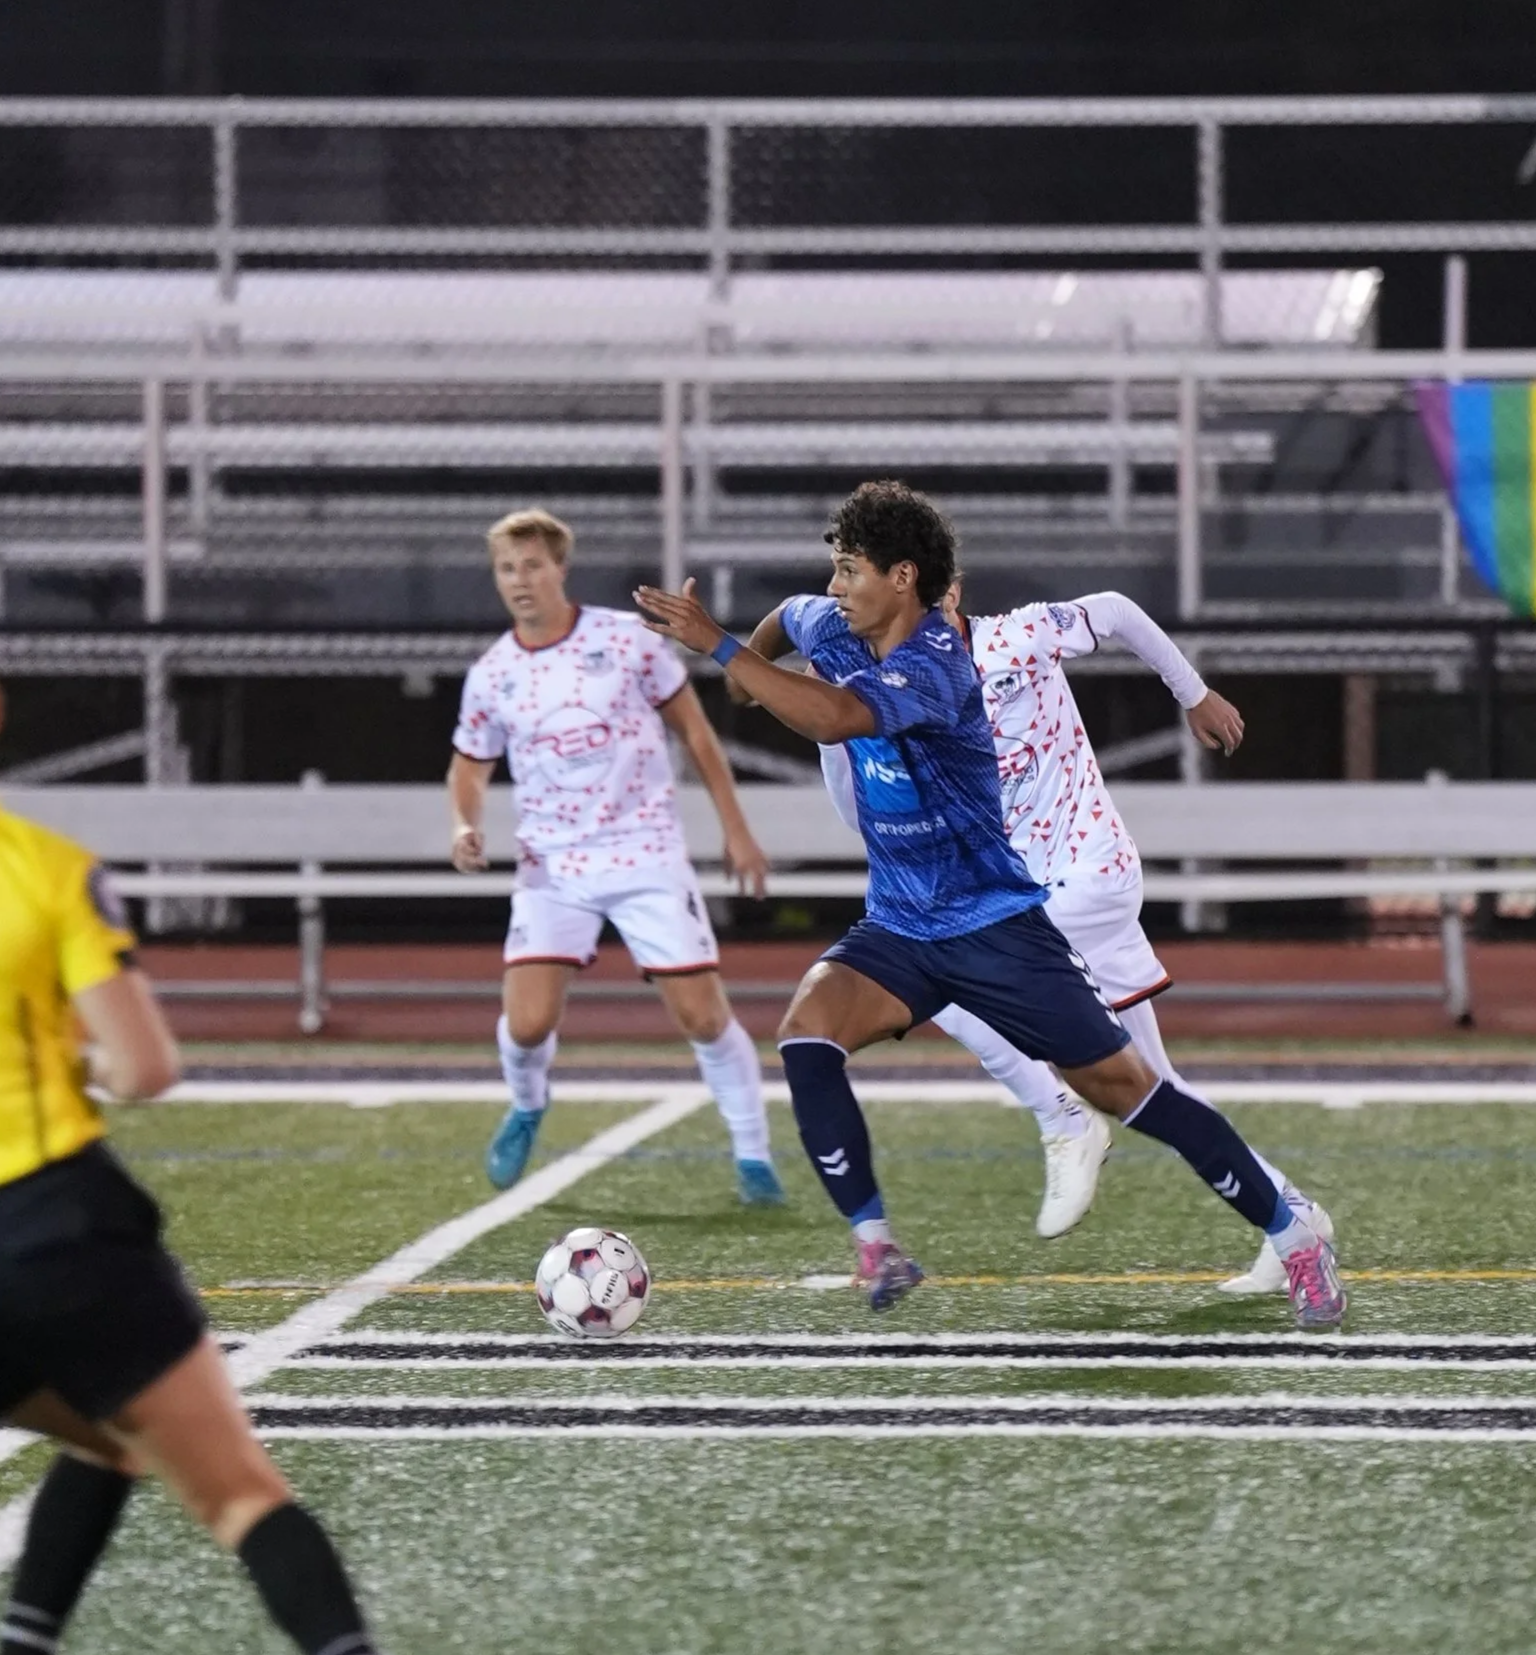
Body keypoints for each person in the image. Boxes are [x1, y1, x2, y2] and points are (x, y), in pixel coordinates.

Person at [636, 480, 1344, 1329]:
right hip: (901, 924)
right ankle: (877, 1247)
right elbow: (789, 622)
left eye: (849, 570)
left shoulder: (940, 665)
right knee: (806, 1035)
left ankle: (1294, 1231)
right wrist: (745, 668)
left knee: (1132, 1088)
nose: (835, 587)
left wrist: (720, 649)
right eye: (834, 567)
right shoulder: (834, 621)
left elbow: (834, 717)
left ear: (904, 578)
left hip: (994, 926)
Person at [0, 692, 468, 1655]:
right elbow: (147, 1067)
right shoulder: (46, 869)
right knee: (236, 1492)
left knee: (105, 1442)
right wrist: (79, 1057)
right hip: (55, 1224)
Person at [806, 583, 1331, 1288]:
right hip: (1021, 896)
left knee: (951, 977)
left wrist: (1193, 692)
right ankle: (1292, 1216)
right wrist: (834, 745)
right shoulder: (889, 691)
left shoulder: (1016, 638)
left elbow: (1114, 608)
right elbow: (855, 817)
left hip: (1089, 874)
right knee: (1151, 1085)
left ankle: (1061, 1116)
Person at [448, 508, 783, 1204]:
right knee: (529, 1021)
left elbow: (694, 732)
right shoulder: (492, 675)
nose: (520, 580)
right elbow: (470, 766)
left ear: (560, 569)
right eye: (507, 568)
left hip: (643, 851)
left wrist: (736, 827)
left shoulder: (626, 642)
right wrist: (464, 824)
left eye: (532, 565)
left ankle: (754, 1156)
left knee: (701, 1015)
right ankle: (528, 1105)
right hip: (552, 867)